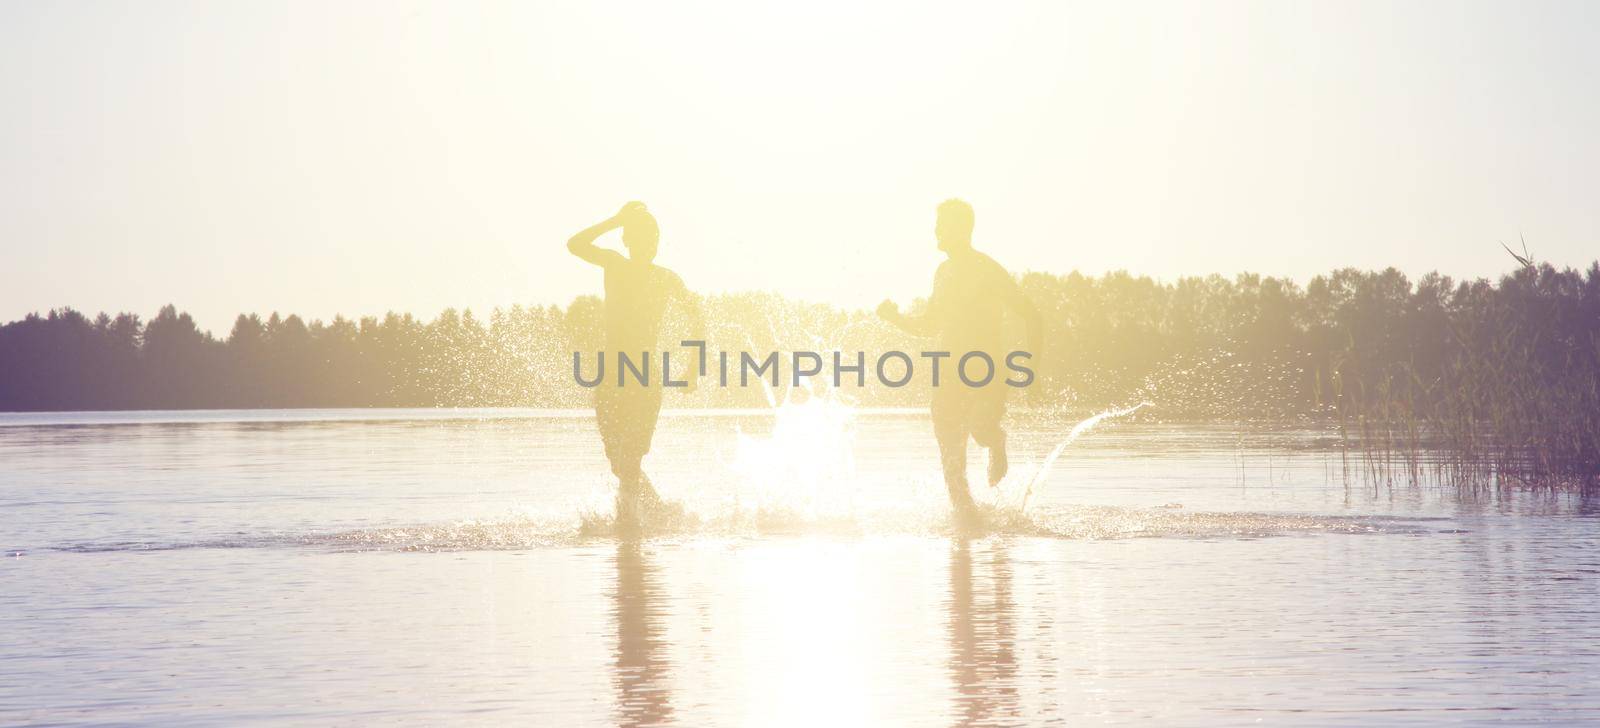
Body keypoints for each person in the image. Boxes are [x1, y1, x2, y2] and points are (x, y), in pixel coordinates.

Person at [878, 199, 1042, 521]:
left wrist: (1032, 372)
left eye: (942, 224)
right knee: (952, 463)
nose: (936, 230)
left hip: (986, 370)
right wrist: (895, 318)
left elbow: (1033, 316)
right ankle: (967, 531)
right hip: (948, 372)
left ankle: (996, 442)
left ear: (961, 228)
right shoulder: (943, 272)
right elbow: (930, 325)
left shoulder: (988, 270)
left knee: (981, 428)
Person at [568, 201, 704, 524]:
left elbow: (697, 315)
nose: (649, 245)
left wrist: (693, 367)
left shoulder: (666, 279)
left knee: (629, 463)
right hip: (611, 375)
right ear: (627, 241)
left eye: (653, 239)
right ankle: (658, 517)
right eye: (641, 238)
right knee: (620, 464)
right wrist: (616, 219)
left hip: (644, 376)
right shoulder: (614, 265)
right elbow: (574, 244)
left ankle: (630, 533)